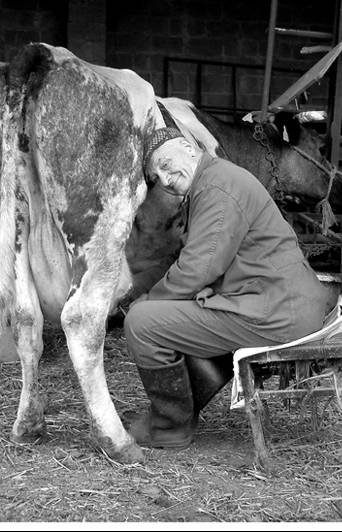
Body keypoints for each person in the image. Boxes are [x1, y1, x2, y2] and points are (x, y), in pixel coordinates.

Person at [123, 127, 327, 450]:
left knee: (141, 323)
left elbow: (195, 271)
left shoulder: (218, 187)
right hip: (274, 303)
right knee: (160, 312)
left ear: (188, 149)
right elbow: (183, 260)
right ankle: (179, 411)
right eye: (155, 176)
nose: (163, 179)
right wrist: (129, 288)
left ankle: (169, 426)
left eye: (164, 164)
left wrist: (146, 302)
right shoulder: (211, 183)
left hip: (277, 312)